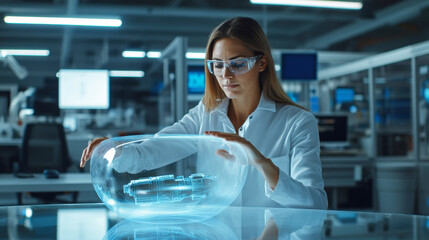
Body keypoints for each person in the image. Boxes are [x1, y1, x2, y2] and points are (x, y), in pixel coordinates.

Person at [81, 17, 328, 209]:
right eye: (217, 65)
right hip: (216, 231)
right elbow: (153, 151)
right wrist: (112, 148)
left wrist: (262, 164)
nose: (226, 75)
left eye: (238, 64)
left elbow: (315, 203)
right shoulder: (205, 114)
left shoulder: (296, 121)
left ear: (261, 63)